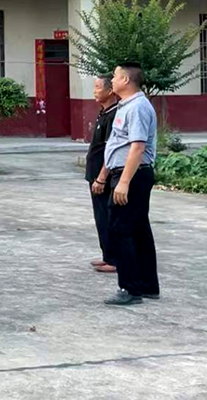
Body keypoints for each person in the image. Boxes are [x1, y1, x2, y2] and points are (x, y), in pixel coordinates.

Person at [99, 62, 159, 306]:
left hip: (131, 175)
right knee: (138, 230)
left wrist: (123, 183)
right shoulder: (127, 105)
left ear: (125, 80)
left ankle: (130, 288)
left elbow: (137, 147)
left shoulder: (137, 107)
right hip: (128, 173)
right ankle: (147, 285)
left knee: (120, 229)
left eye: (115, 76)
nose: (111, 80)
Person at [86, 74, 119, 273]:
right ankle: (107, 255)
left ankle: (114, 259)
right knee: (100, 217)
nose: (94, 91)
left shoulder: (114, 115)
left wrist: (101, 177)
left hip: (103, 177)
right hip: (94, 175)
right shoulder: (104, 113)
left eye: (98, 87)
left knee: (108, 217)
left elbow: (110, 150)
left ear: (110, 90)